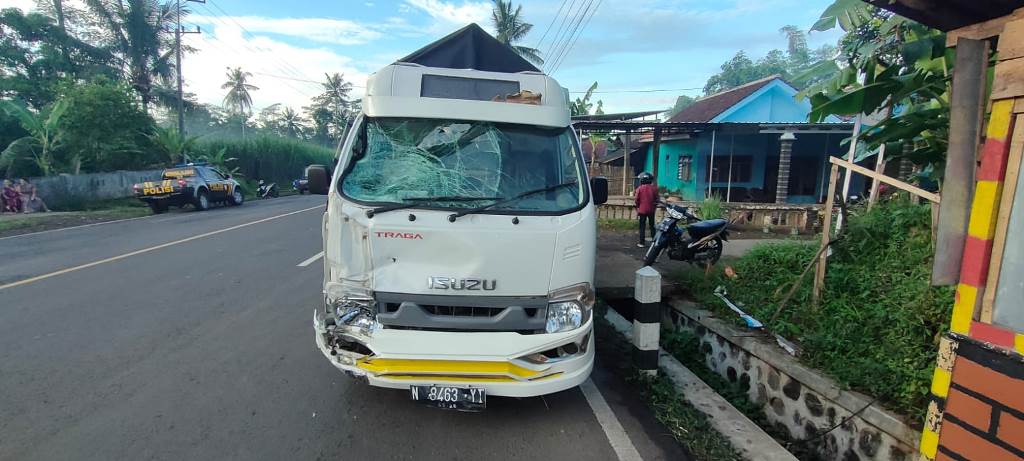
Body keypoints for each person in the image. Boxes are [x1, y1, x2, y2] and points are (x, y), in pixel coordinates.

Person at [634, 172, 659, 248]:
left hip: (642, 210)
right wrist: (654, 206)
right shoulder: (654, 188)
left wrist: (638, 206)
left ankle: (642, 243)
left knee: (642, 226)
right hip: (651, 210)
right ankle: (654, 242)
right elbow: (657, 199)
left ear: (641, 180)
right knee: (652, 226)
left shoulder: (639, 188)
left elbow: (636, 200)